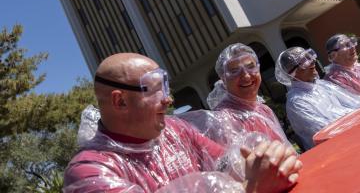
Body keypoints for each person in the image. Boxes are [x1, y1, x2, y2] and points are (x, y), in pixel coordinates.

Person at [63, 53, 301, 193]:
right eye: (156, 89)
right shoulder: (88, 172)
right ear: (120, 101)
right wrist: (252, 187)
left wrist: (263, 159)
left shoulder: (176, 130)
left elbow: (228, 162)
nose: (168, 99)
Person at [179, 43, 289, 147]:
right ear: (223, 79)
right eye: (235, 71)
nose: (246, 76)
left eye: (251, 67)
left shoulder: (263, 109)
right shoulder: (224, 121)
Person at [275, 47, 360, 149]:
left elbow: (353, 102)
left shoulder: (321, 85)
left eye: (309, 56)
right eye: (304, 61)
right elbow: (326, 132)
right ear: (292, 73)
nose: (312, 62)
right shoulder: (297, 103)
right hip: (336, 149)